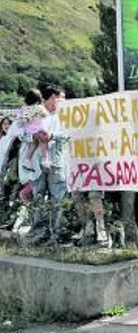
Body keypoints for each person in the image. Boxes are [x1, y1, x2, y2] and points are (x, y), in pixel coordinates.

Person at [27, 86, 70, 244]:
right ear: (52, 98)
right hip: (37, 163)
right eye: (61, 98)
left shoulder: (64, 116)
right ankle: (40, 232)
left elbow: (68, 135)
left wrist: (52, 135)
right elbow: (25, 137)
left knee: (58, 199)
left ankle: (56, 234)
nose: (63, 102)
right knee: (38, 197)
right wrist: (34, 135)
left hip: (56, 163)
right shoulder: (36, 114)